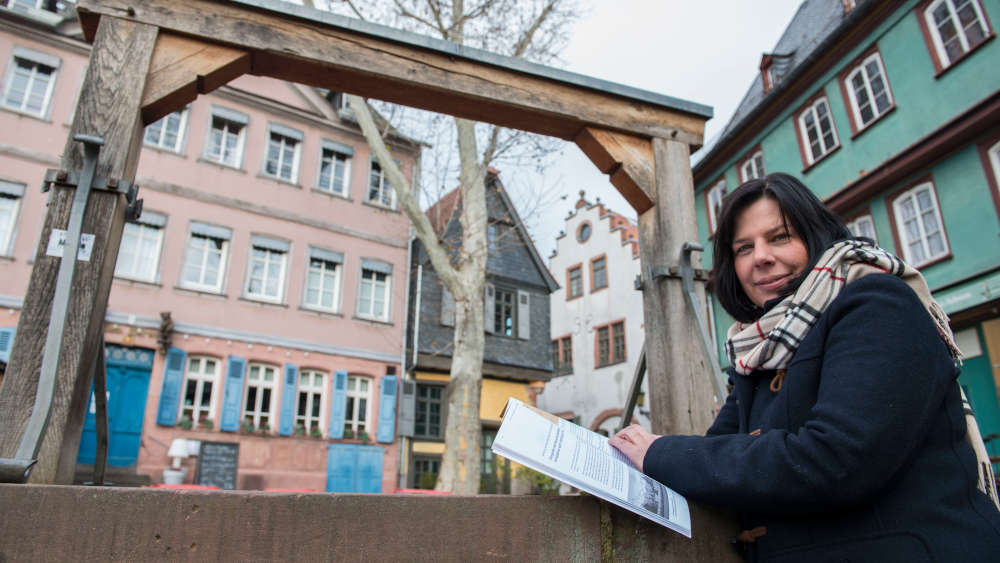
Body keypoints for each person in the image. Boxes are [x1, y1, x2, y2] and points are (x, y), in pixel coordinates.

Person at [609, 173, 1000, 561]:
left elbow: (836, 460)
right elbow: (717, 453)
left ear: (816, 237)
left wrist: (662, 454)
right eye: (743, 248)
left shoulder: (877, 303)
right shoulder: (759, 351)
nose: (760, 256)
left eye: (779, 237)